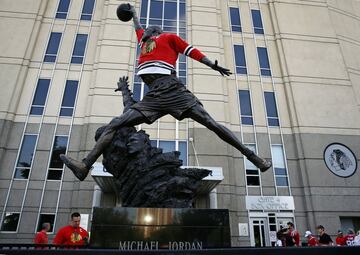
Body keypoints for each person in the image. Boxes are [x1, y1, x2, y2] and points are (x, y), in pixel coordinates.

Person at [59, 3, 272, 181]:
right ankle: (84, 166)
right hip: (154, 96)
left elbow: (193, 52)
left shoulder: (169, 37)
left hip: (173, 89)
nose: (149, 29)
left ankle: (255, 159)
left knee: (211, 123)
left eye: (153, 28)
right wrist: (133, 14)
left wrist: (212, 65)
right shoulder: (144, 42)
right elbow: (138, 27)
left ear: (158, 32)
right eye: (148, 29)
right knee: (116, 123)